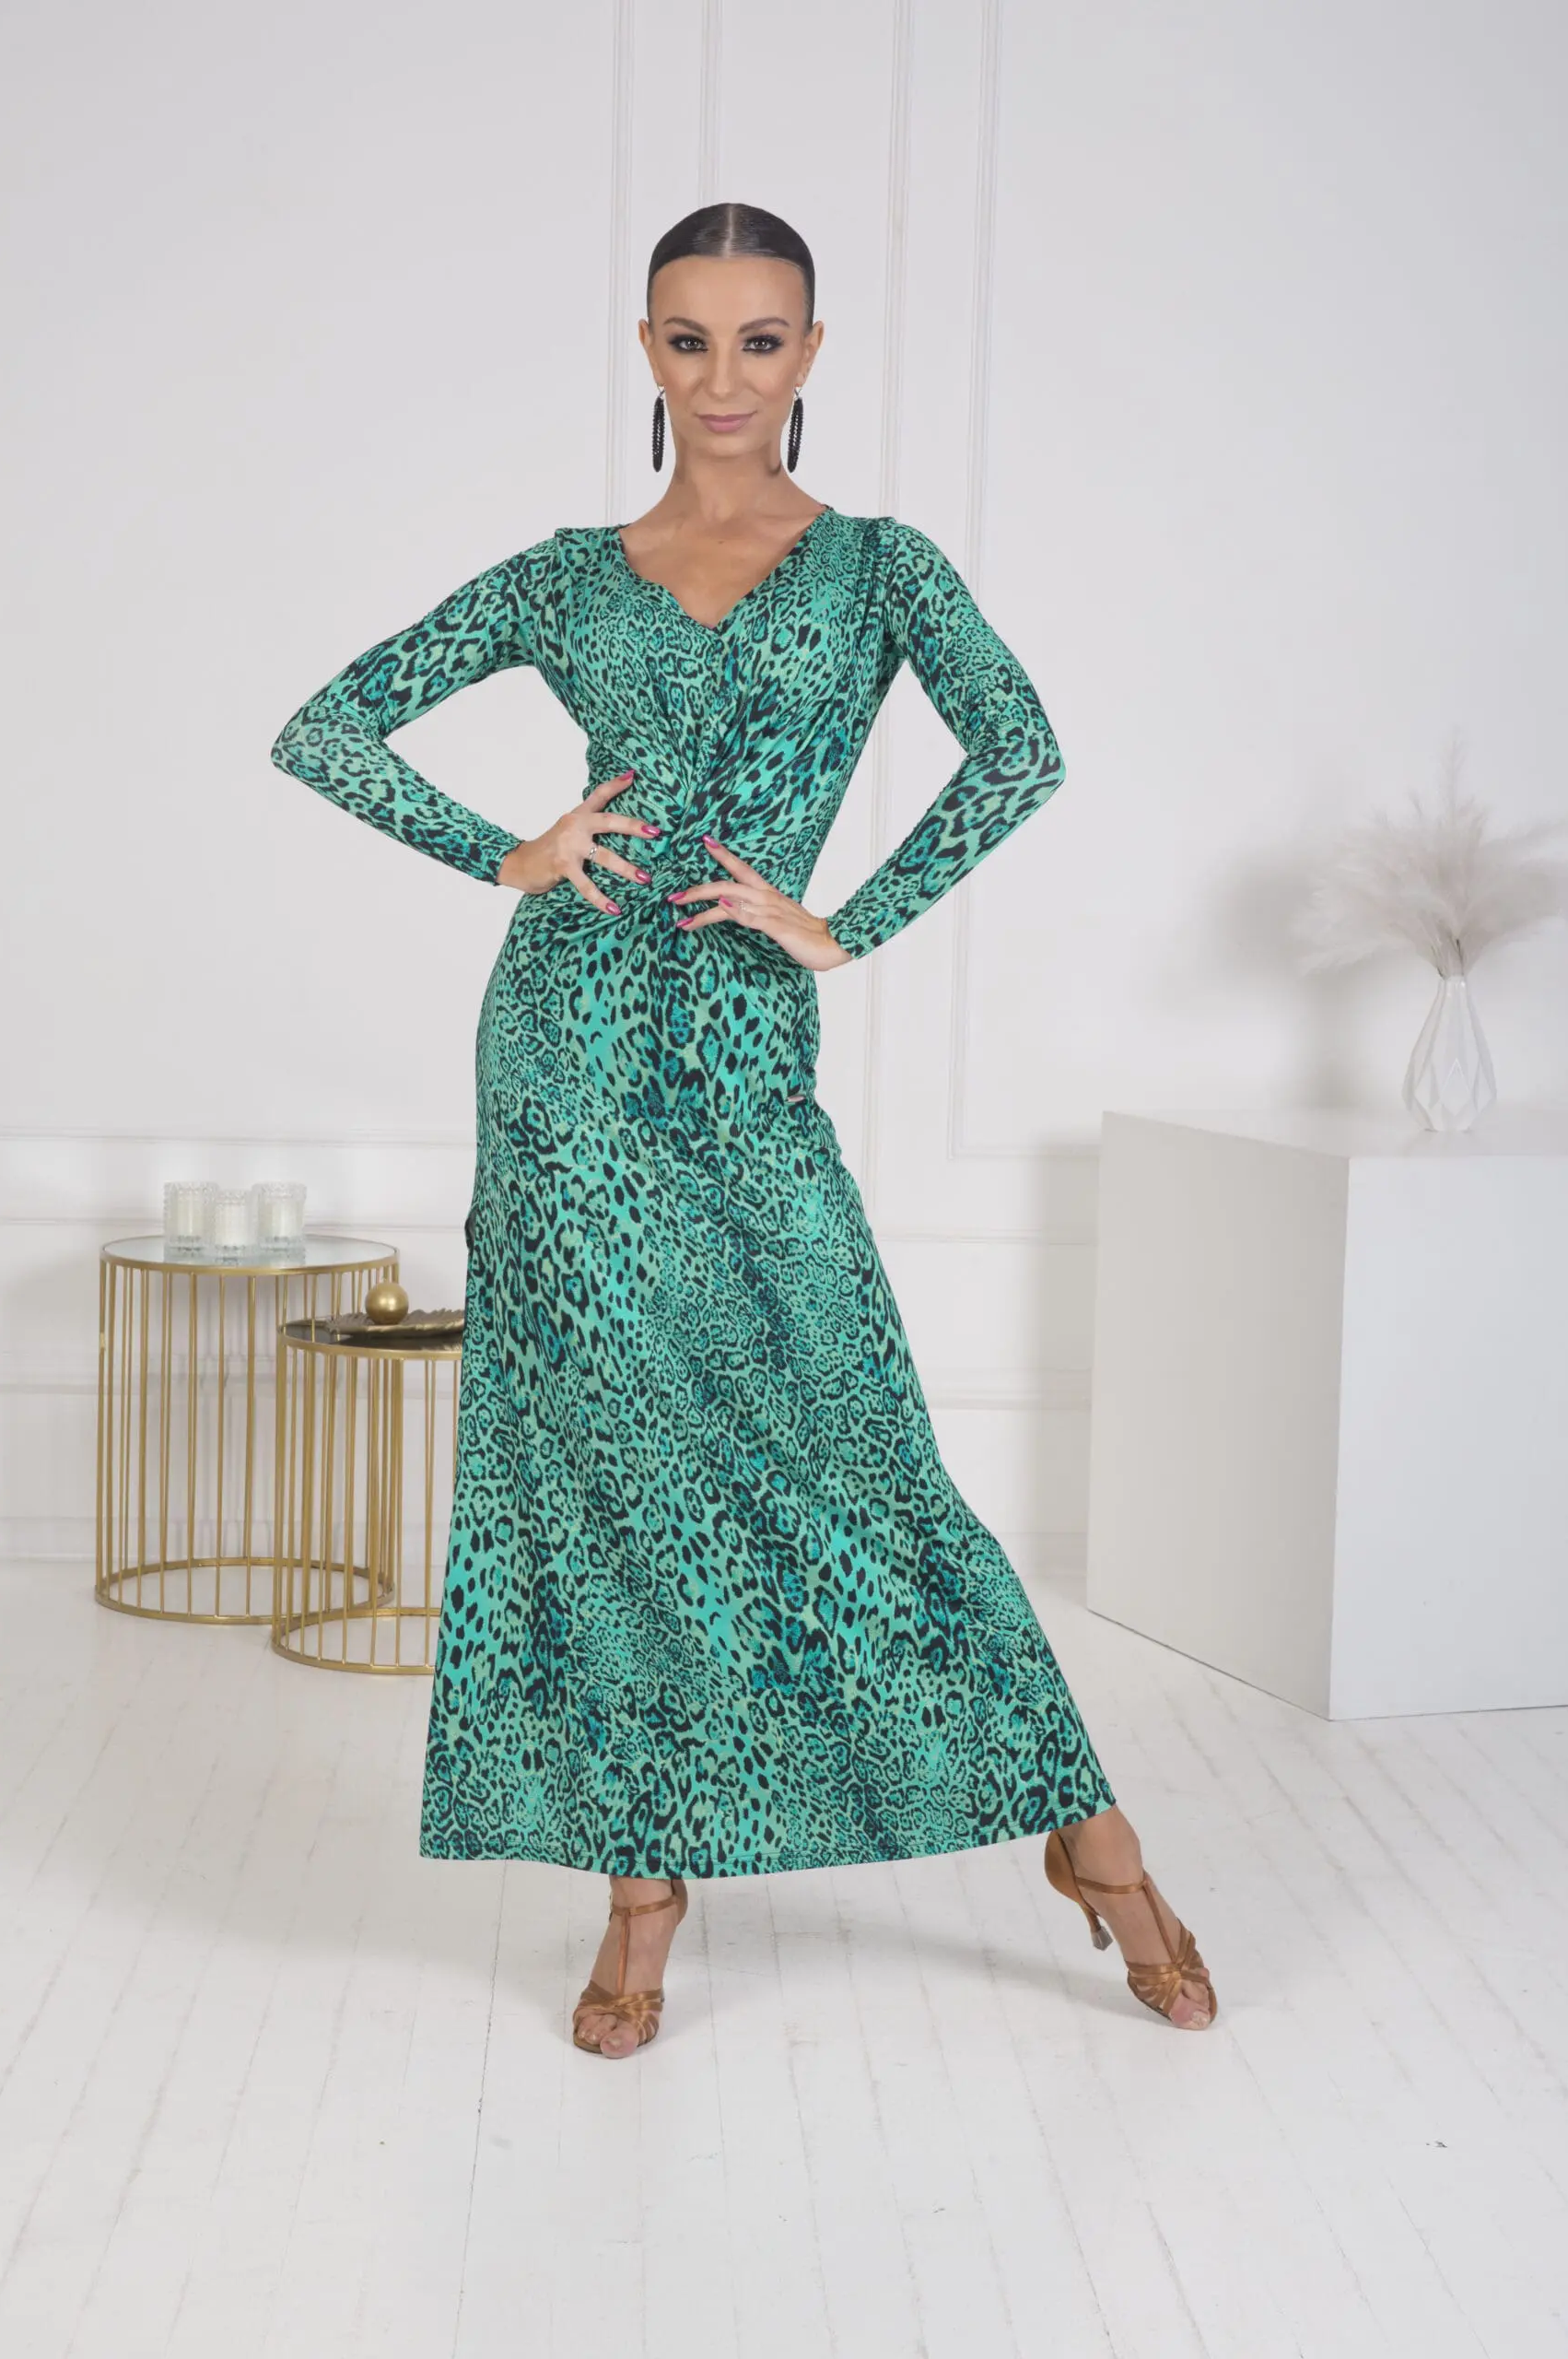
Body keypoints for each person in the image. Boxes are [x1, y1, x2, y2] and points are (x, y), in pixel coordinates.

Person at [271, 201, 1215, 2059]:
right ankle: (641, 1892)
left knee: (855, 1440)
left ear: (810, 352)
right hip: (560, 1062)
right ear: (646, 350)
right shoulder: (566, 576)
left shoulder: (875, 568)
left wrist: (844, 919)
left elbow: (1018, 750)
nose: (724, 376)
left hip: (737, 1055)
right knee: (600, 1463)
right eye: (688, 339)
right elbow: (327, 728)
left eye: (759, 339)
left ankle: (1090, 1842)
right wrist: (508, 851)